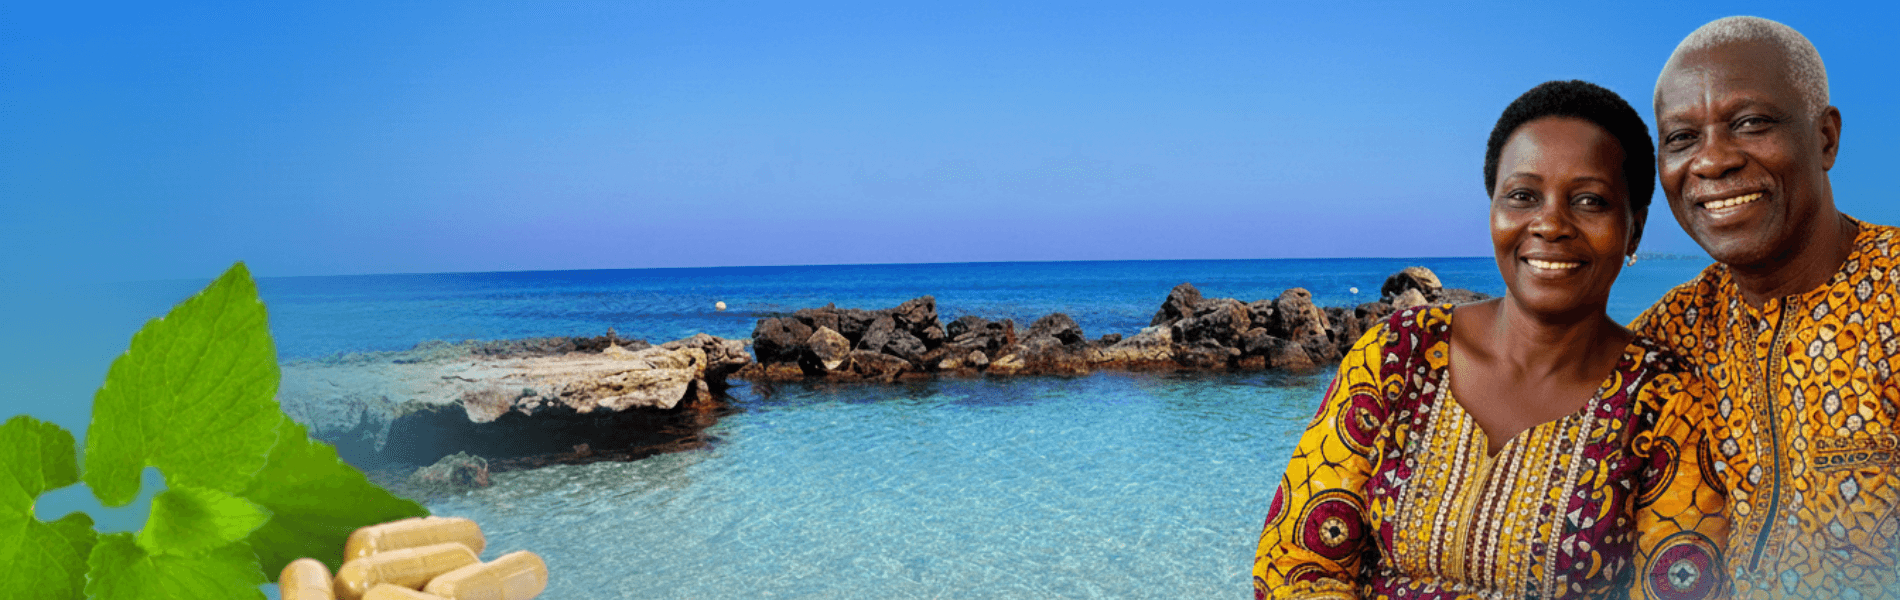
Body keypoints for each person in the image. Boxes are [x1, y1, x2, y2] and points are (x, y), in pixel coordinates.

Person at [1252, 80, 1725, 599]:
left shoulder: (1663, 404)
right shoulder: (1398, 353)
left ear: (1633, 229)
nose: (1550, 224)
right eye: (1522, 196)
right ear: (1494, 211)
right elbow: (1295, 561)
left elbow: (1679, 587)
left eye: (1590, 201)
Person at [1631, 16, 1900, 598]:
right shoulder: (1666, 338)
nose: (1712, 161)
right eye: (1681, 138)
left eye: (1751, 123)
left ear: (1825, 139)